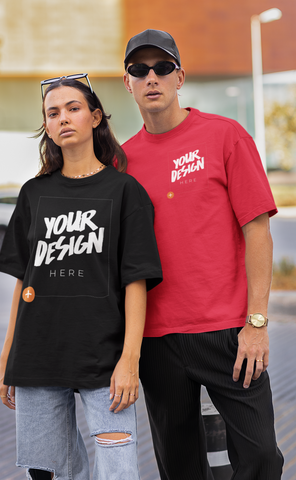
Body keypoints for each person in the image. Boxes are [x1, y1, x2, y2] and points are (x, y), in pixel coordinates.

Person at [122, 29, 284, 480]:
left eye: (162, 67)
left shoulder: (224, 136)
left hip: (229, 333)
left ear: (180, 77)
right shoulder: (123, 162)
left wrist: (256, 323)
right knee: (180, 466)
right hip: (157, 338)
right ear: (127, 83)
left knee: (261, 458)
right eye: (140, 69)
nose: (151, 77)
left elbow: (258, 231)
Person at [0, 73, 162, 480]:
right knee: (51, 472)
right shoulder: (33, 194)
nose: (63, 118)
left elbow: (136, 281)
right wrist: (7, 357)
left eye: (73, 108)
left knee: (118, 471)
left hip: (104, 360)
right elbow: (23, 279)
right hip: (38, 356)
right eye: (53, 113)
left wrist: (130, 359)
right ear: (47, 127)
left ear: (95, 117)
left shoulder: (125, 191)